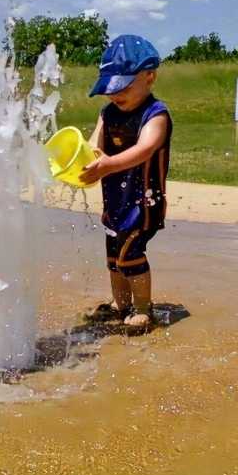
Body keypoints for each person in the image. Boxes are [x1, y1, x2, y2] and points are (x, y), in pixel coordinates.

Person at [79, 34, 172, 329]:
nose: (114, 95)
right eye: (109, 88)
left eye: (122, 87)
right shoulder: (107, 113)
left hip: (144, 203)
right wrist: (86, 162)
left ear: (149, 77)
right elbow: (96, 145)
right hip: (115, 202)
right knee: (113, 258)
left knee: (130, 253)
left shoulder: (156, 115)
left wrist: (108, 165)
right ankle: (121, 305)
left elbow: (145, 149)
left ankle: (143, 308)